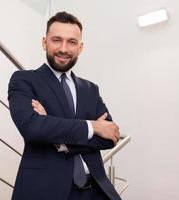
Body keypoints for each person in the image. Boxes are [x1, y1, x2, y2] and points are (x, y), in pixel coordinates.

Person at [8, 11, 122, 200]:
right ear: (44, 42)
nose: (63, 48)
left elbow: (110, 137)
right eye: (56, 40)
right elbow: (33, 128)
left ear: (80, 47)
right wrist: (92, 127)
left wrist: (60, 141)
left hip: (96, 190)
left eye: (71, 42)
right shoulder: (24, 80)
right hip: (46, 190)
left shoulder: (90, 89)